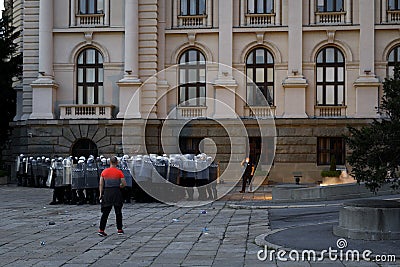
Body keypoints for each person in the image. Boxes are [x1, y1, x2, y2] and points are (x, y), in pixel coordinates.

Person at [98, 156, 127, 237]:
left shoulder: (104, 172)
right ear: (117, 162)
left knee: (105, 213)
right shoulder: (119, 172)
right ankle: (119, 229)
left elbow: (101, 184)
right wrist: (120, 186)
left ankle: (101, 229)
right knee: (118, 212)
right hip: (116, 192)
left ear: (109, 162)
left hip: (107, 192)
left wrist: (100, 194)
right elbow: (124, 183)